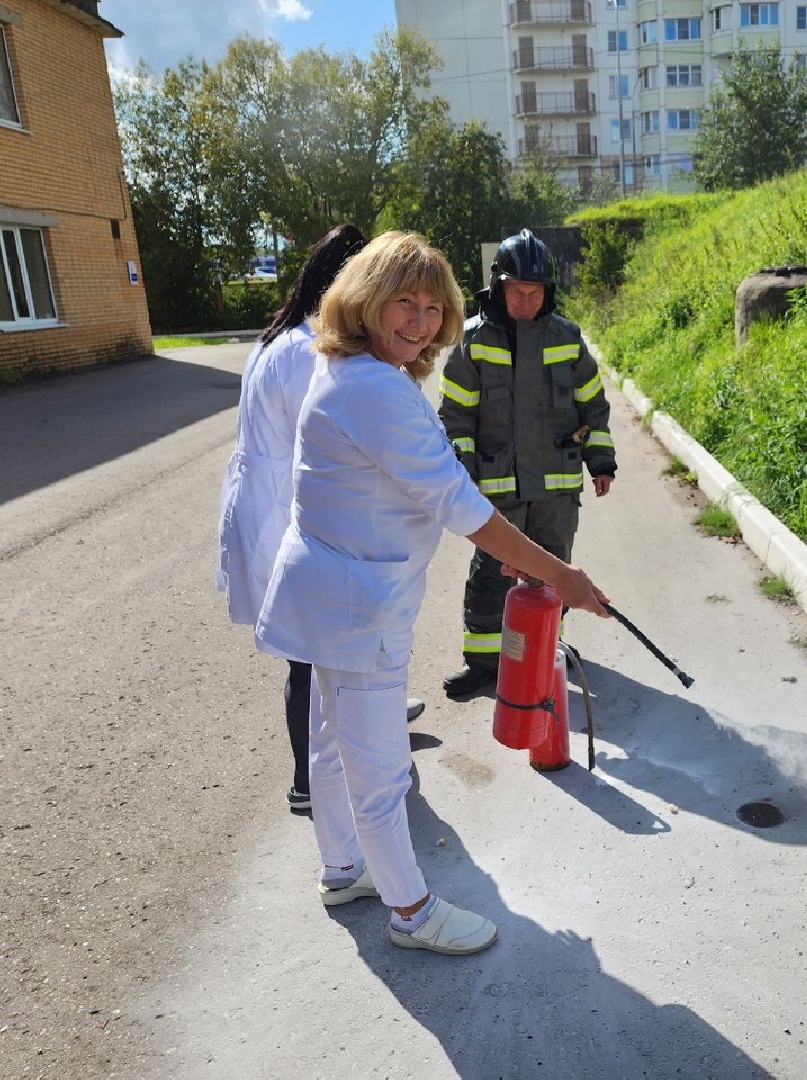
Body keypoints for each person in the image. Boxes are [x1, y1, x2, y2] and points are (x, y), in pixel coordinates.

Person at [254, 231, 609, 956]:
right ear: (366, 300)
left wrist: (515, 554)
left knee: (331, 742)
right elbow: (459, 503)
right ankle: (411, 913)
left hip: (332, 589)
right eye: (403, 303)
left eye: (431, 306)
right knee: (380, 768)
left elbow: (432, 487)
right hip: (357, 603)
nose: (419, 322)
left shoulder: (353, 369)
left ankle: (342, 868)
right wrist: (558, 574)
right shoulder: (373, 388)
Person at [215, 224, 424, 816]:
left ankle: (370, 725)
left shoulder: (277, 338)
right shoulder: (313, 352)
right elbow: (350, 442)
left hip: (267, 504)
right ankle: (311, 779)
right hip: (290, 512)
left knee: (320, 651)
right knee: (313, 656)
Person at [438, 229, 617, 699]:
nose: (524, 301)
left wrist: (601, 461)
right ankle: (484, 662)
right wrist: (465, 474)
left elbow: (592, 405)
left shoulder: (567, 339)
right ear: (498, 288)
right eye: (516, 291)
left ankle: (545, 652)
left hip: (557, 488)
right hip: (497, 486)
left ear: (547, 292)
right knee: (491, 574)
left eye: (534, 292)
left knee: (554, 572)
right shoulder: (473, 341)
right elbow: (456, 416)